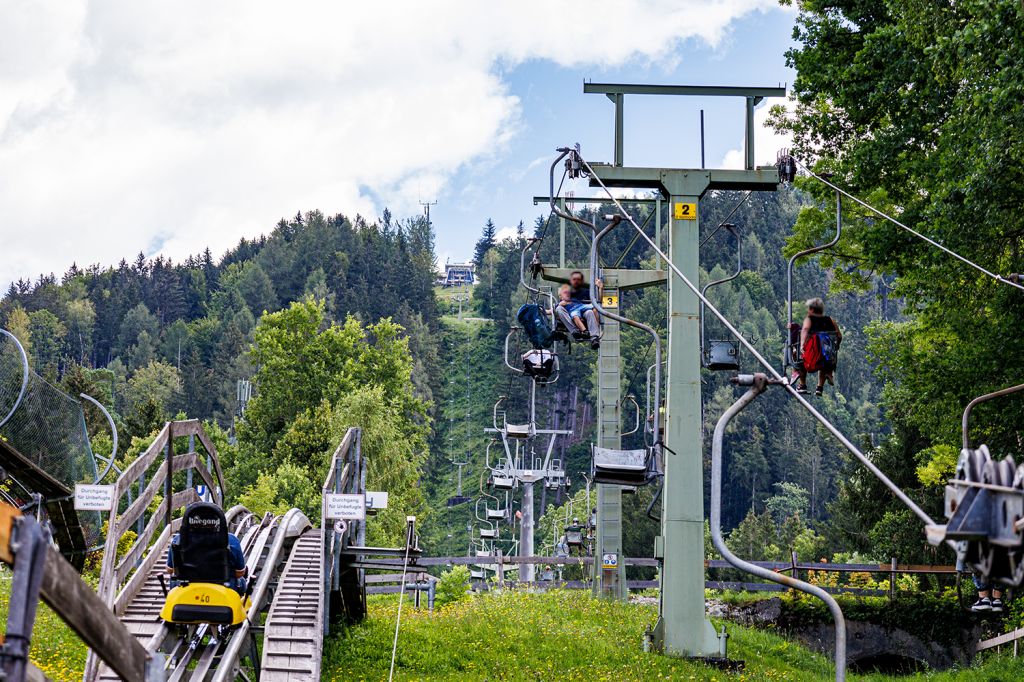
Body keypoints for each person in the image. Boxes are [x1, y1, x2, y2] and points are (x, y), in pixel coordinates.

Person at [167, 526, 248, 595]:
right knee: (241, 581)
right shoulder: (232, 539)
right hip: (224, 588)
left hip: (187, 588)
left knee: (173, 580)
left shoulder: (178, 539)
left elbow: (170, 569)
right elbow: (240, 572)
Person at [796, 297, 841, 396]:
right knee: (824, 356)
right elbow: (839, 335)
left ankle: (802, 384)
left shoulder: (809, 319)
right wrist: (836, 347)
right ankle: (819, 387)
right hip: (827, 358)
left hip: (812, 358)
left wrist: (802, 344)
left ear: (811, 309)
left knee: (798, 355)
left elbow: (805, 329)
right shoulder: (830, 320)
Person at [553, 271, 602, 349]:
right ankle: (575, 331)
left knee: (589, 312)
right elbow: (553, 310)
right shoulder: (564, 300)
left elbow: (598, 301)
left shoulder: (583, 293)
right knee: (559, 309)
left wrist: (600, 288)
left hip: (584, 312)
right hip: (573, 316)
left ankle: (594, 337)